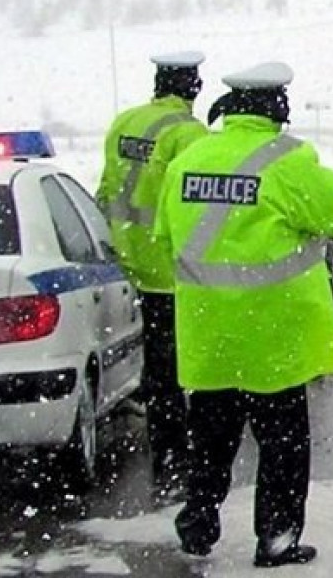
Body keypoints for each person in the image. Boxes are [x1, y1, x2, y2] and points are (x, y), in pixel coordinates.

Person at [155, 61, 333, 568]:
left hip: (209, 334)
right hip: (272, 336)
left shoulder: (190, 158)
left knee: (210, 442)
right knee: (283, 447)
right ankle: (276, 538)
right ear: (276, 107)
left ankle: (198, 523)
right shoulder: (287, 161)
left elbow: (165, 232)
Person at [96, 50, 209, 493]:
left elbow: (107, 186)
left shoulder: (124, 122)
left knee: (157, 370)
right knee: (182, 370)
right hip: (171, 270)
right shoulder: (189, 134)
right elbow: (195, 204)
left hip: (127, 260)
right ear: (193, 88)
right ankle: (179, 459)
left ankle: (166, 457)